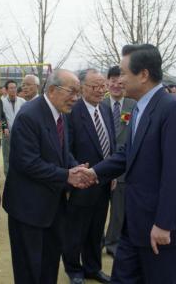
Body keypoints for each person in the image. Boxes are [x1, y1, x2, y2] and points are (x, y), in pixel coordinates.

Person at [77, 44, 176, 283]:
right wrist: (94, 172)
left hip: (163, 231)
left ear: (144, 74)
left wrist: (164, 224)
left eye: (124, 74)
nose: (118, 81)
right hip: (136, 224)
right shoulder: (140, 107)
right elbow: (128, 153)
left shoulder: (172, 110)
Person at [3, 69, 96, 284]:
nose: (76, 98)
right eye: (72, 92)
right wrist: (67, 176)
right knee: (29, 270)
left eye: (78, 92)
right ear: (52, 90)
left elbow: (61, 153)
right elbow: (28, 162)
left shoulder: (60, 114)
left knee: (49, 266)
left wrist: (77, 168)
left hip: (53, 208)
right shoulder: (29, 115)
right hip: (29, 210)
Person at [62, 69, 114, 284]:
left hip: (102, 181)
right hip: (80, 182)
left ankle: (93, 268)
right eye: (95, 86)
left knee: (96, 228)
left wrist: (110, 173)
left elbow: (110, 146)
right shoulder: (72, 111)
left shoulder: (106, 109)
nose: (101, 90)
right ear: (82, 87)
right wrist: (79, 173)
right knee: (76, 229)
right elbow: (66, 148)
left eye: (103, 86)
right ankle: (74, 269)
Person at [102, 66, 136, 257]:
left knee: (118, 211)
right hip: (100, 167)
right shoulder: (101, 104)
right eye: (112, 80)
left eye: (119, 79)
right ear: (107, 82)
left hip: (123, 169)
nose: (116, 84)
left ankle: (113, 242)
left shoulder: (134, 105)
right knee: (97, 209)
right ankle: (96, 241)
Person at [1, 80, 26, 176]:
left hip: (20, 133)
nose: (13, 90)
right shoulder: (1, 102)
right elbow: (0, 117)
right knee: (7, 155)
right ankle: (8, 175)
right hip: (7, 133)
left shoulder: (22, 101)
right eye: (11, 88)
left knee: (20, 154)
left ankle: (19, 175)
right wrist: (4, 128)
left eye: (15, 87)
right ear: (6, 90)